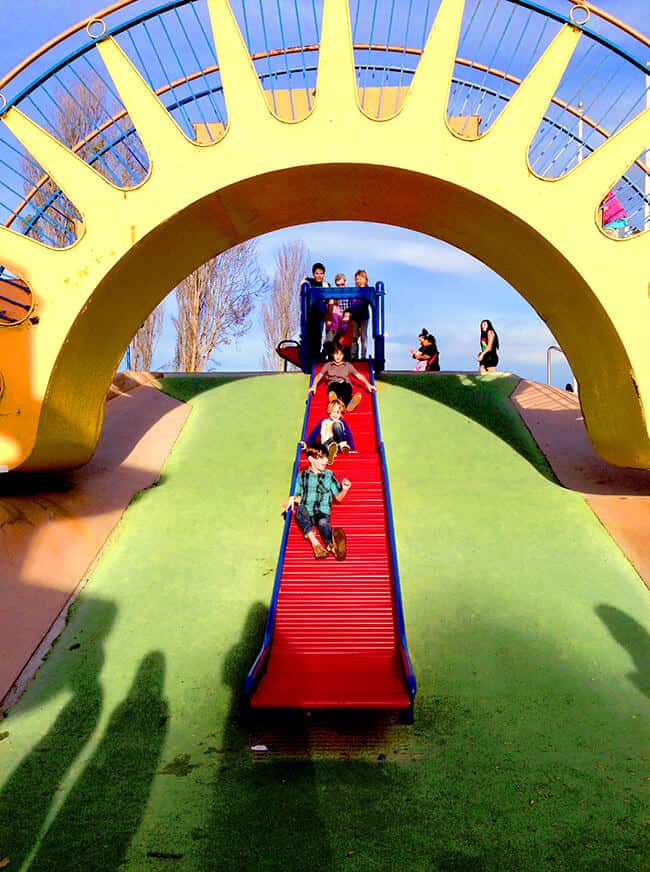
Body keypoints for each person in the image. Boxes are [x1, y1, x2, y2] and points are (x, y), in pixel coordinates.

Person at [283, 442, 350, 560]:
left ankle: (332, 545)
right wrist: (292, 498)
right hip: (306, 510)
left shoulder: (329, 475)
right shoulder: (302, 476)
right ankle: (315, 543)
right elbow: (296, 496)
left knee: (323, 523)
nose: (325, 461)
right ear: (311, 459)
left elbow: (338, 498)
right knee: (300, 510)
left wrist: (344, 489)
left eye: (326, 457)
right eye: (321, 457)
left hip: (322, 511)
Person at [309, 342, 376, 410]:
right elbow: (319, 376)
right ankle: (334, 401)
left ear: (344, 355)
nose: (338, 357)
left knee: (346, 390)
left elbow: (359, 375)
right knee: (333, 387)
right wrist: (314, 385)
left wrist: (368, 384)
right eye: (336, 354)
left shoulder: (348, 365)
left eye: (341, 354)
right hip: (333, 383)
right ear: (332, 354)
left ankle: (349, 403)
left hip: (345, 383)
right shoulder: (328, 365)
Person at [302, 397, 355, 464]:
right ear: (329, 411)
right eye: (333, 411)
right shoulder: (323, 422)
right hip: (326, 445)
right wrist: (306, 444)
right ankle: (330, 454)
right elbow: (313, 434)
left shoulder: (342, 423)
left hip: (339, 446)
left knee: (337, 425)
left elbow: (349, 435)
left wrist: (352, 448)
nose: (335, 414)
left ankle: (341, 446)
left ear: (341, 414)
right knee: (326, 446)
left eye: (338, 412)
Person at [304, 262, 330, 362]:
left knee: (318, 334)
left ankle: (316, 355)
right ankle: (310, 356)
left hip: (320, 314)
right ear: (313, 274)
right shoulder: (309, 283)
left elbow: (328, 301)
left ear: (324, 274)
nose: (319, 275)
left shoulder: (326, 285)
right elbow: (303, 285)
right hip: (310, 314)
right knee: (310, 334)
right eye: (317, 273)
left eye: (321, 273)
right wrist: (305, 280)